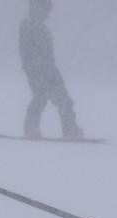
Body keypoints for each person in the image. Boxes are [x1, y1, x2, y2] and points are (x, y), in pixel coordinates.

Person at [19, 0, 83, 139]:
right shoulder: (27, 26)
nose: (47, 13)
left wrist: (52, 72)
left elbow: (49, 56)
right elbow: (26, 54)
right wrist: (34, 70)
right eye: (45, 9)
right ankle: (31, 128)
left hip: (50, 70)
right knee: (40, 97)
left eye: (48, 10)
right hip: (36, 71)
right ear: (35, 7)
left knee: (64, 99)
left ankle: (70, 129)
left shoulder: (44, 29)